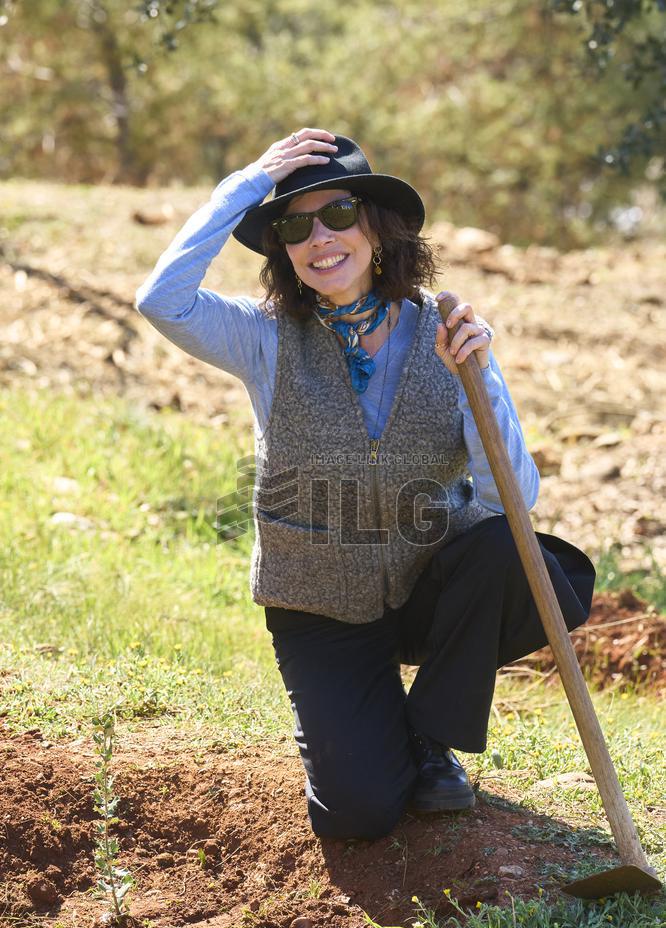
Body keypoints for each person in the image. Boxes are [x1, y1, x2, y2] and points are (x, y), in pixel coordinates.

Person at [135, 128, 596, 842]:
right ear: (283, 248)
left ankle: (430, 735)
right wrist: (247, 185)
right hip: (319, 609)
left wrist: (478, 380)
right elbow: (161, 300)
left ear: (377, 229)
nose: (320, 237)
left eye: (339, 215)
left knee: (511, 548)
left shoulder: (446, 327)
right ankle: (359, 720)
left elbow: (512, 496)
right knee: (360, 814)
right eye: (294, 225)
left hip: (426, 590)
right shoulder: (264, 336)